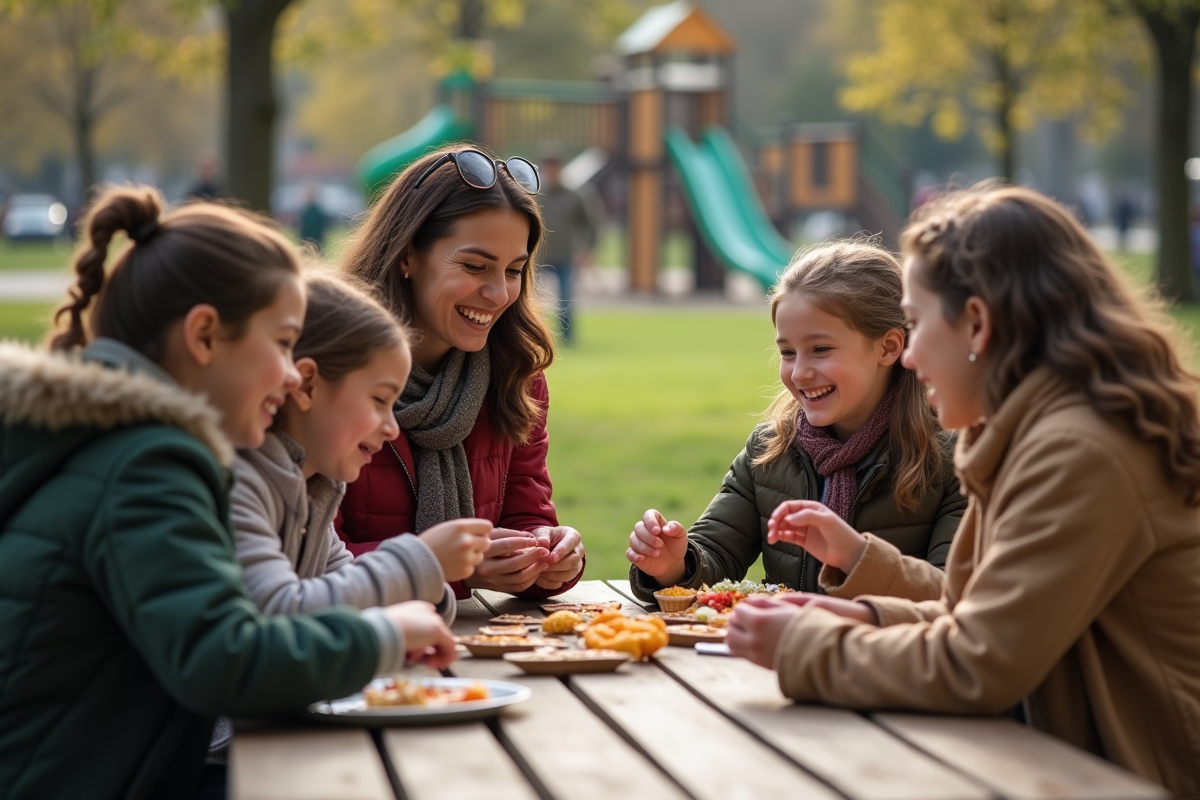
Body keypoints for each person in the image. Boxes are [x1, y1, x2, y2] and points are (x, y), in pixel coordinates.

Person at [727, 185, 1200, 796]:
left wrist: (806, 645)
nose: (912, 354)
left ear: (977, 323)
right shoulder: (1031, 432)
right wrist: (861, 608)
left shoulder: (1080, 450)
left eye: (918, 326)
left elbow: (981, 663)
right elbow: (977, 611)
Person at [0, 186, 456, 800]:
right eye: (281, 342)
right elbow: (228, 660)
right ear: (206, 336)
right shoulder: (147, 462)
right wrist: (385, 635)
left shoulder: (114, 443)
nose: (293, 374)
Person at [626, 241, 965, 601]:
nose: (800, 373)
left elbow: (954, 596)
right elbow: (716, 556)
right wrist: (675, 566)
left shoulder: (953, 459)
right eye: (787, 352)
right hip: (787, 652)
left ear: (889, 347)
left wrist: (856, 559)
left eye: (820, 349)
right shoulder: (771, 449)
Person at [338, 145, 586, 599]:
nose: (497, 293)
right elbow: (307, 561)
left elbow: (526, 518)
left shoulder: (516, 373)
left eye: (514, 270)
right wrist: (448, 567)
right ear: (407, 255)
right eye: (475, 266)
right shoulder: (331, 372)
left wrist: (550, 555)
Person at [536, 146, 598, 344]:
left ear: (561, 168)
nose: (551, 171)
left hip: (564, 256)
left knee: (565, 300)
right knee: (530, 301)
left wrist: (587, 250)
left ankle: (567, 339)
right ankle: (533, 336)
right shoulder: (535, 195)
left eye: (555, 167)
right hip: (538, 257)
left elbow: (589, 225)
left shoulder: (574, 196)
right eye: (548, 167)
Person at [298, 184, 330, 254]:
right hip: (307, 243)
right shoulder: (305, 212)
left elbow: (322, 229)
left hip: (316, 242)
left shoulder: (318, 212)